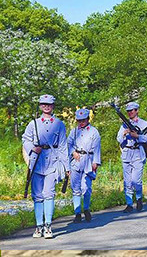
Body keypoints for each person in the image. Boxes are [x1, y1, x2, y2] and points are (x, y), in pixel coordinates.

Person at [22, 94, 69, 239]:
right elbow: (25, 138)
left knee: (49, 193)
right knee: (37, 195)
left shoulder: (59, 124)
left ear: (53, 106)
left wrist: (67, 167)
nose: (46, 106)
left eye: (49, 104)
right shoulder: (33, 123)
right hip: (37, 162)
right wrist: (32, 148)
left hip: (52, 162)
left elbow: (62, 146)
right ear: (40, 106)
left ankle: (48, 225)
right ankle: (38, 226)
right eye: (43, 104)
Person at [116, 101, 147, 213]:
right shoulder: (124, 125)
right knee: (127, 181)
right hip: (127, 153)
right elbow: (118, 139)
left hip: (137, 153)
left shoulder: (143, 123)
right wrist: (124, 133)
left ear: (137, 111)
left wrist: (138, 136)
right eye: (128, 111)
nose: (130, 113)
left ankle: (139, 198)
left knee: (136, 180)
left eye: (132, 110)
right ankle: (129, 204)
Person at [68, 108, 101, 223]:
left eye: (83, 120)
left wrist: (96, 161)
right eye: (79, 120)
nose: (81, 122)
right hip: (76, 161)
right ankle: (77, 213)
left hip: (88, 160)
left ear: (88, 119)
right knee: (75, 188)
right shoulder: (74, 131)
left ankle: (86, 209)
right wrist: (73, 152)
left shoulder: (94, 132)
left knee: (86, 187)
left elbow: (97, 148)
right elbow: (68, 144)